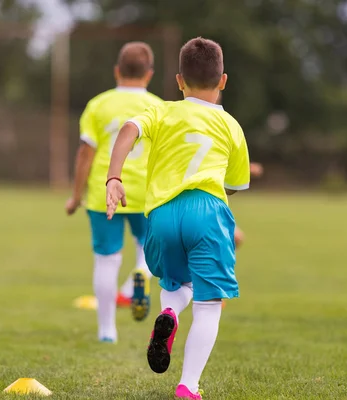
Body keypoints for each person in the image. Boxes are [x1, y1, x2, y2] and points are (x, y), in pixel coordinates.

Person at [106, 37, 250, 399]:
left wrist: (114, 177)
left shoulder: (164, 111)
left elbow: (127, 130)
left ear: (179, 81)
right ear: (223, 81)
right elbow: (233, 185)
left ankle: (169, 312)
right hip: (207, 211)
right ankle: (188, 385)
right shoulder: (231, 126)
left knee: (173, 284)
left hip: (162, 214)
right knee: (209, 304)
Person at [65, 42, 163, 343]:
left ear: (117, 71)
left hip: (103, 191)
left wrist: (76, 195)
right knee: (147, 248)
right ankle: (142, 275)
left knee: (106, 260)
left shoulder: (99, 104)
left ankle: (107, 330)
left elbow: (85, 153)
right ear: (149, 74)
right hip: (146, 192)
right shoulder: (159, 106)